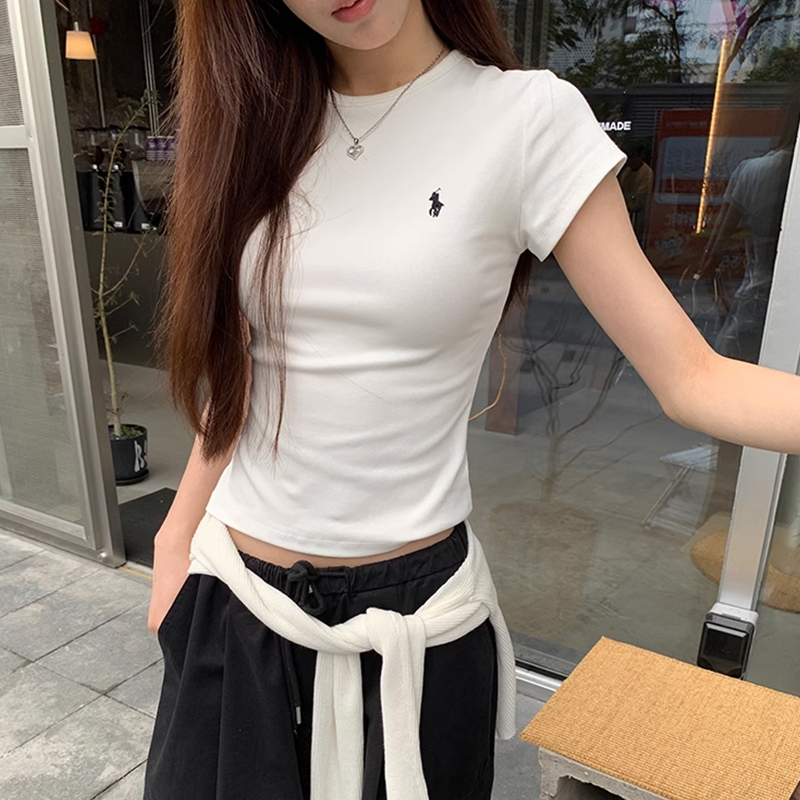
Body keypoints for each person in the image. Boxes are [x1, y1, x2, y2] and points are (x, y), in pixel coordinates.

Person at [144, 2, 800, 799]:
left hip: (417, 631)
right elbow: (246, 373)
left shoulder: (525, 120)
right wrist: (174, 544)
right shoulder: (256, 122)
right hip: (234, 601)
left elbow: (694, 378)